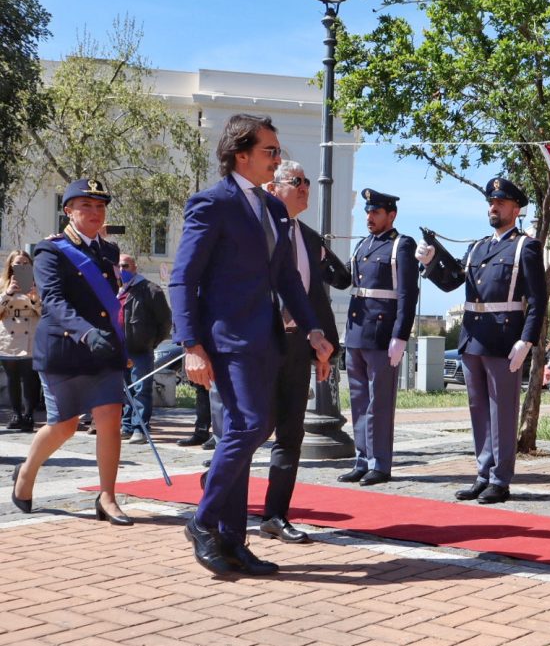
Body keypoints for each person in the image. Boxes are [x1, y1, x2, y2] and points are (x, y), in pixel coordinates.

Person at [170, 114, 333, 575]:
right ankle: (203, 522)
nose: (277, 158)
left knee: (252, 431)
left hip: (266, 336)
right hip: (225, 338)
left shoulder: (274, 208)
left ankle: (232, 540)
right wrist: (190, 344)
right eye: (270, 151)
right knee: (249, 426)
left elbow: (287, 277)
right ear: (241, 154)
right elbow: (184, 277)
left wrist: (314, 329)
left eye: (277, 151)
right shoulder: (211, 204)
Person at [416, 178, 547, 504]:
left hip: (504, 340)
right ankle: (482, 473)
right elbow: (452, 283)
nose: (493, 206)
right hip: (472, 339)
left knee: (502, 412)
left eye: (500, 203)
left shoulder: (525, 247)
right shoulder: (476, 247)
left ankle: (500, 480)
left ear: (515, 210)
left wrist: (526, 340)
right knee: (478, 412)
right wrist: (430, 262)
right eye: (491, 202)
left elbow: (538, 299)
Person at [11, 178, 133, 525]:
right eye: (86, 206)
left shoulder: (109, 252)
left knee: (109, 418)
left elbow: (113, 302)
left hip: (103, 349)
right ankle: (27, 472)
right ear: (68, 211)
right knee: (64, 426)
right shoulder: (51, 250)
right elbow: (54, 302)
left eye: (100, 207)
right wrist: (86, 333)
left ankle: (107, 497)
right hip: (66, 347)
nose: (95, 213)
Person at [259, 160, 347, 543]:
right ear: (273, 187)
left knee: (290, 433)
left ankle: (275, 515)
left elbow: (316, 297)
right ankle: (217, 492)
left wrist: (323, 349)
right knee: (251, 428)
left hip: (298, 344)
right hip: (259, 343)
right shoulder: (258, 230)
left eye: (308, 181)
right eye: (297, 181)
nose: (305, 187)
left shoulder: (310, 238)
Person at [336, 188, 417, 487]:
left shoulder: (401, 246)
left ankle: (379, 463)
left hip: (383, 335)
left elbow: (408, 295)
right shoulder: (362, 246)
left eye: (376, 212)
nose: (369, 217)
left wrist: (401, 335)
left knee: (379, 404)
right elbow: (346, 280)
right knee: (358, 402)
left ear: (390, 215)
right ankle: (362, 459)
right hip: (357, 333)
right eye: (368, 212)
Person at [117, 254, 172, 444]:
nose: (121, 270)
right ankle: (127, 426)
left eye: (125, 265)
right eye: (119, 266)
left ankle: (140, 429)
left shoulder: (150, 289)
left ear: (134, 267)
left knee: (141, 390)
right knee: (125, 391)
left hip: (140, 349)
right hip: (120, 350)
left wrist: (152, 342)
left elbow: (165, 321)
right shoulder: (118, 289)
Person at [0, 251, 42, 431]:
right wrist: (7, 294)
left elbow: (45, 312)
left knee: (31, 378)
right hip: (9, 336)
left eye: (26, 263)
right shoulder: (3, 284)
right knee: (12, 379)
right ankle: (16, 414)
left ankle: (29, 415)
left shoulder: (38, 283)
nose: (22, 266)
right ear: (10, 265)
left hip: (31, 333)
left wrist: (34, 299)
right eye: (18, 263)